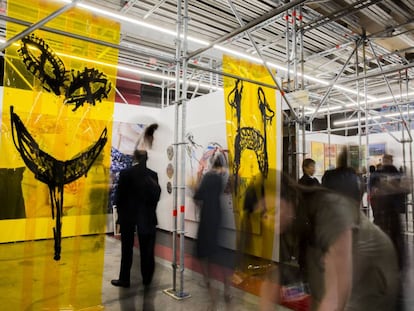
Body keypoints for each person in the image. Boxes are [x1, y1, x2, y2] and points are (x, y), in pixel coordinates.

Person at [252, 170, 398, 311]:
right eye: (263, 215)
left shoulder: (334, 216)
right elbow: (277, 276)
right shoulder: (292, 219)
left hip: (370, 284)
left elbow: (336, 296)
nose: (268, 220)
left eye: (273, 211)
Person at [111, 150, 161, 288]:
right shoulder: (152, 175)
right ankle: (147, 279)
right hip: (147, 217)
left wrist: (119, 217)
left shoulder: (126, 174)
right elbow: (156, 197)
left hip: (128, 217)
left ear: (134, 158)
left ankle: (125, 279)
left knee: (126, 249)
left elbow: (119, 198)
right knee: (147, 250)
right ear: (147, 158)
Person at [193, 155, 231, 308]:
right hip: (217, 215)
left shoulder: (209, 177)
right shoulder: (221, 178)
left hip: (207, 217)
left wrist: (198, 176)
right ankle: (227, 288)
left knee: (203, 254)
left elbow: (197, 196)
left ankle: (211, 291)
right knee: (216, 253)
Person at [370, 154, 407, 271]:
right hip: (387, 208)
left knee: (388, 233)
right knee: (392, 234)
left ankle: (390, 260)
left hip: (385, 209)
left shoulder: (387, 173)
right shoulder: (394, 173)